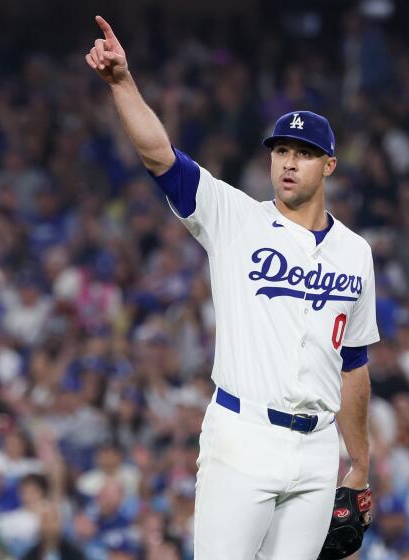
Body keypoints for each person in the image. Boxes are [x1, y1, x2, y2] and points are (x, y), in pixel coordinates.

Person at [86, 15, 379, 558]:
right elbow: (160, 157)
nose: (289, 163)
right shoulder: (235, 218)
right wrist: (123, 84)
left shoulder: (356, 252)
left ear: (329, 165)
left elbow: (354, 363)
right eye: (281, 151)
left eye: (304, 153)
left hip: (318, 449)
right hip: (243, 435)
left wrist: (358, 463)